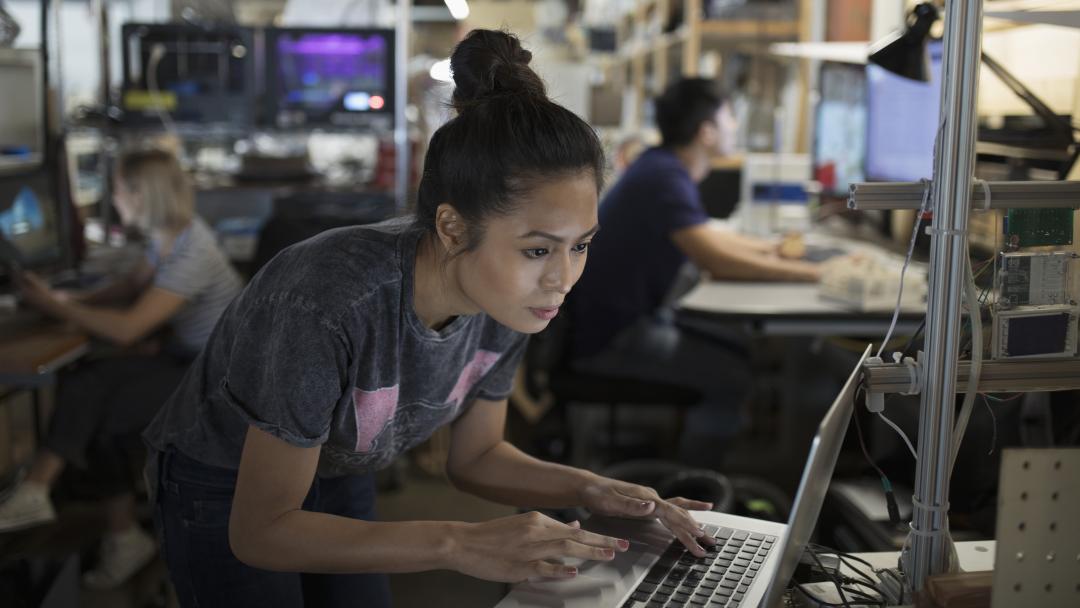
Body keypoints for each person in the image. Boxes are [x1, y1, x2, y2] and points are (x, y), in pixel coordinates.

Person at [141, 30, 717, 608]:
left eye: (581, 246)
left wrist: (594, 489)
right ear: (452, 228)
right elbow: (261, 530)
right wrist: (456, 542)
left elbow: (476, 458)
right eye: (539, 249)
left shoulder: (511, 300)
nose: (563, 278)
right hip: (221, 481)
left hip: (339, 468)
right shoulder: (329, 299)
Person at [0, 149, 243, 588]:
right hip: (185, 356)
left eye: (116, 190)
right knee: (86, 380)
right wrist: (74, 302)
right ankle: (45, 493)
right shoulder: (170, 233)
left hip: (216, 378)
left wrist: (53, 305)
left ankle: (98, 522)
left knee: (102, 410)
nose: (114, 199)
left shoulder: (193, 251)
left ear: (139, 194)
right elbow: (133, 284)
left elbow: (129, 330)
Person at [567, 78, 828, 461]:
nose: (735, 127)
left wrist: (774, 250)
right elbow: (716, 260)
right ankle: (697, 490)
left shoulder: (661, 167)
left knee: (738, 348)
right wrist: (816, 275)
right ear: (706, 132)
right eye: (730, 117)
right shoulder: (664, 177)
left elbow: (706, 235)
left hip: (613, 323)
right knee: (732, 375)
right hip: (613, 337)